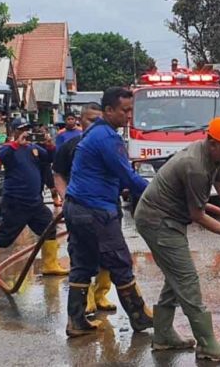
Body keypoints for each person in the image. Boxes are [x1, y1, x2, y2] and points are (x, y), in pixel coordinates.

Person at [134, 116, 220, 361]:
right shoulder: (195, 166)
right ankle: (207, 343)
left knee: (176, 275)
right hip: (158, 221)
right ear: (212, 143)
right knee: (186, 278)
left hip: (170, 220)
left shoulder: (213, 156)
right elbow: (197, 214)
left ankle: (164, 334)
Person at [64, 87, 153, 337]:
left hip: (76, 207)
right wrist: (157, 193)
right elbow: (127, 176)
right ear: (109, 110)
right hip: (96, 211)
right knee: (119, 260)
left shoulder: (95, 132)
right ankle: (140, 317)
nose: (129, 115)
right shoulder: (108, 138)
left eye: (131, 110)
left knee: (82, 263)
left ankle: (77, 322)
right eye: (124, 110)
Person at [0, 117, 69, 280]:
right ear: (15, 131)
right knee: (5, 236)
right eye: (22, 129)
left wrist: (49, 144)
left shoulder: (34, 148)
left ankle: (49, 264)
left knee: (49, 228)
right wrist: (17, 143)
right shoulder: (9, 148)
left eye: (27, 129)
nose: (26, 132)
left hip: (34, 202)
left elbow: (51, 158)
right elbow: (0, 157)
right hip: (16, 201)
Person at [52, 102, 116, 316]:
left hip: (107, 208)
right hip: (80, 210)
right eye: (90, 120)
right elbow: (58, 174)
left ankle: (101, 294)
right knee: (81, 254)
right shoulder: (70, 147)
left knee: (109, 252)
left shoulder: (111, 144)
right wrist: (66, 198)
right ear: (80, 121)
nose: (95, 124)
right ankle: (86, 297)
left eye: (99, 120)